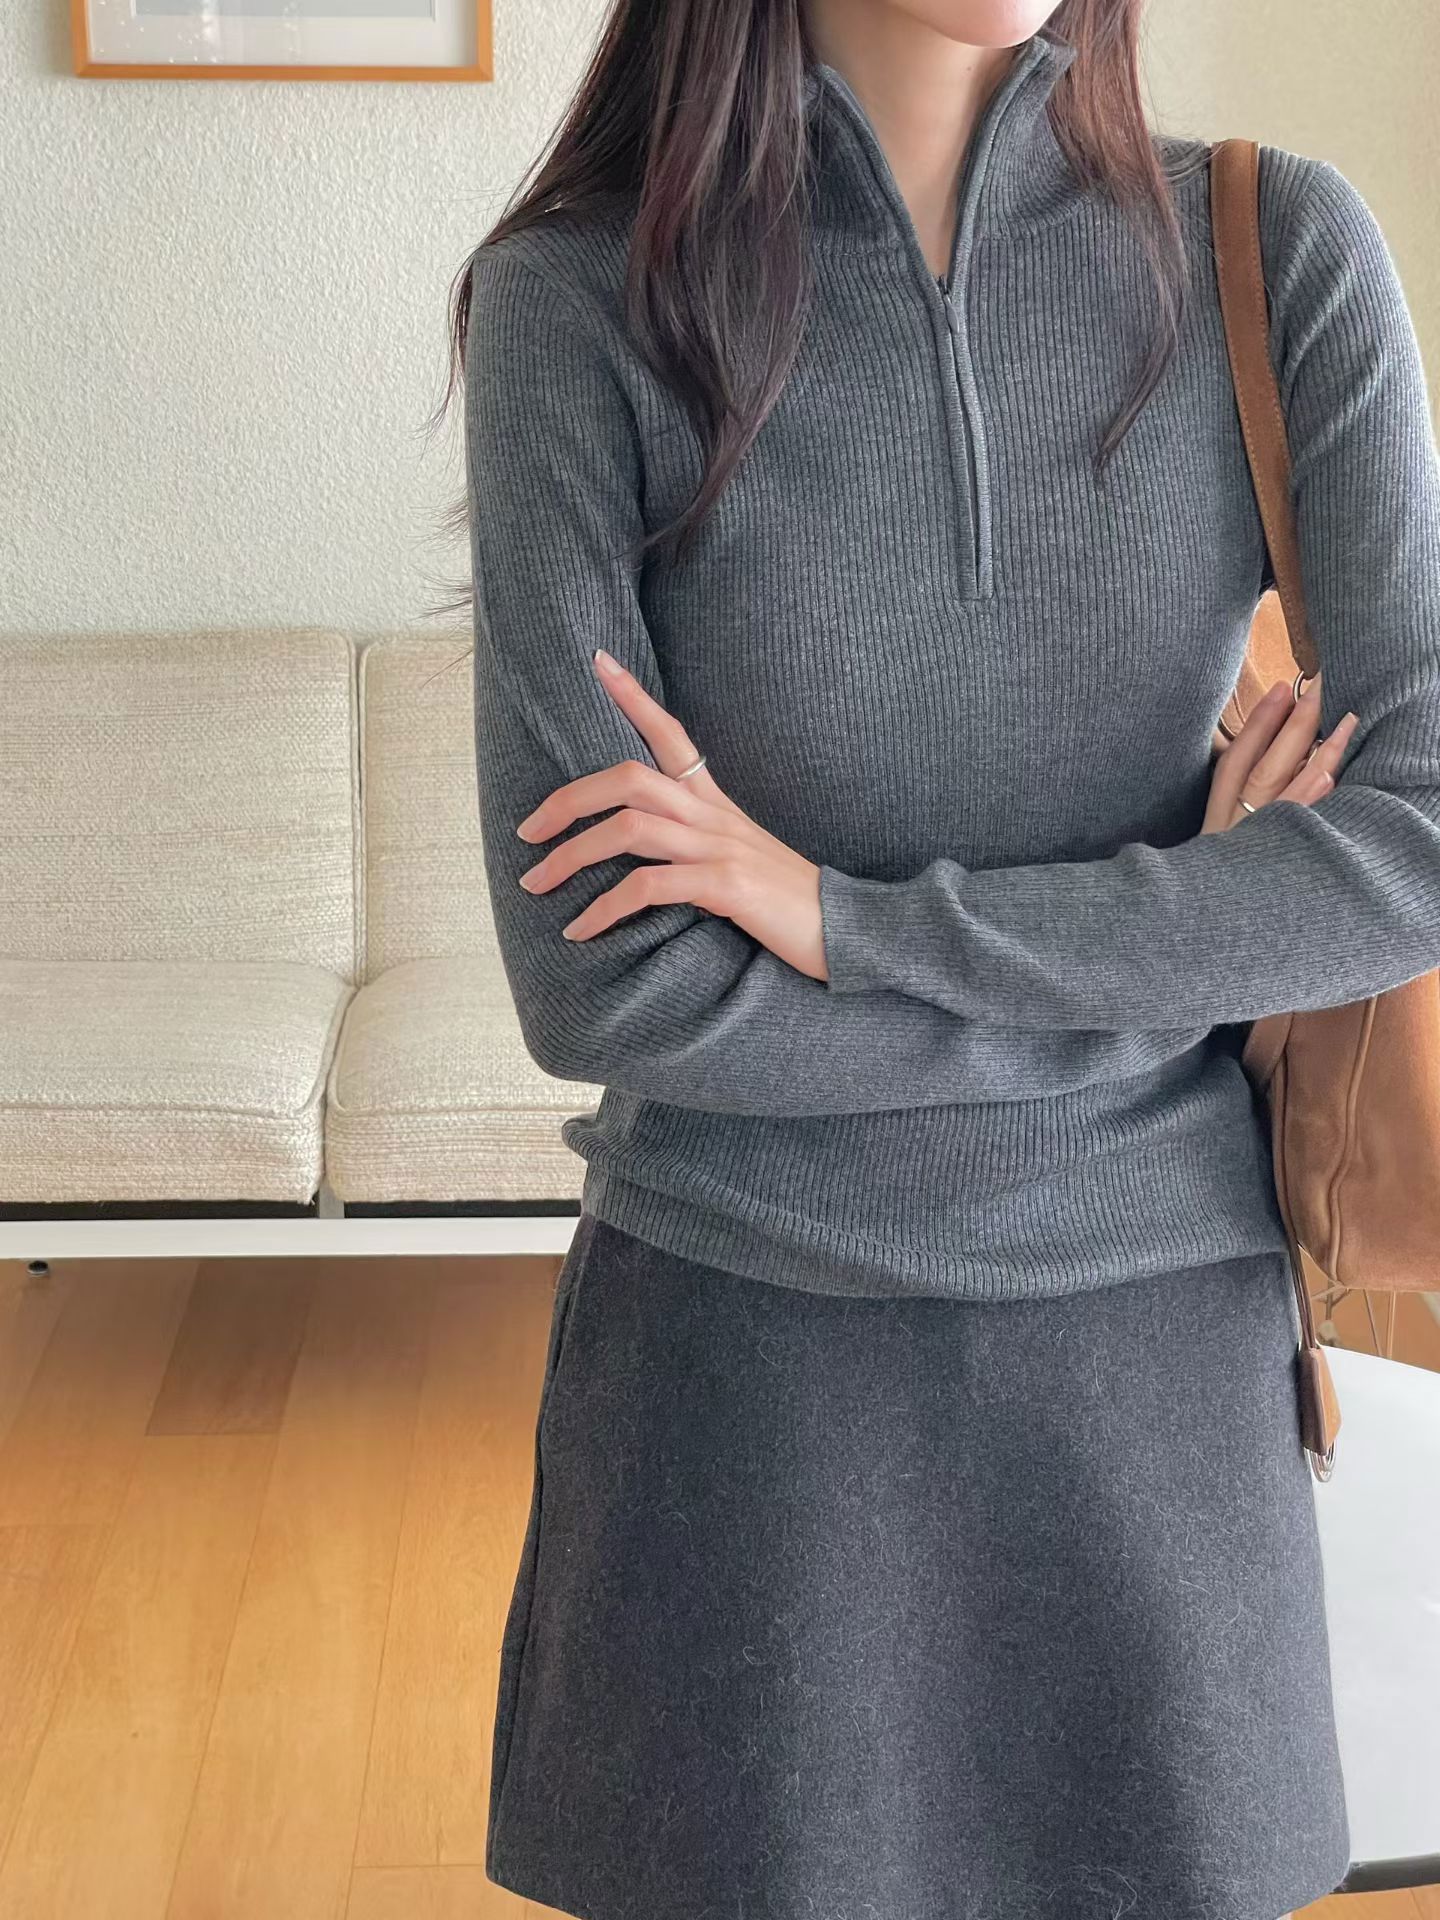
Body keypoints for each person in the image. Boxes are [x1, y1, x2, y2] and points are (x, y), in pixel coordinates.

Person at [441, 0, 1440, 1913]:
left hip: (1159, 1378)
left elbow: (1418, 838)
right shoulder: (576, 307)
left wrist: (840, 921)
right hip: (748, 1386)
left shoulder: (1279, 251)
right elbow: (608, 989)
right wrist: (1188, 954)